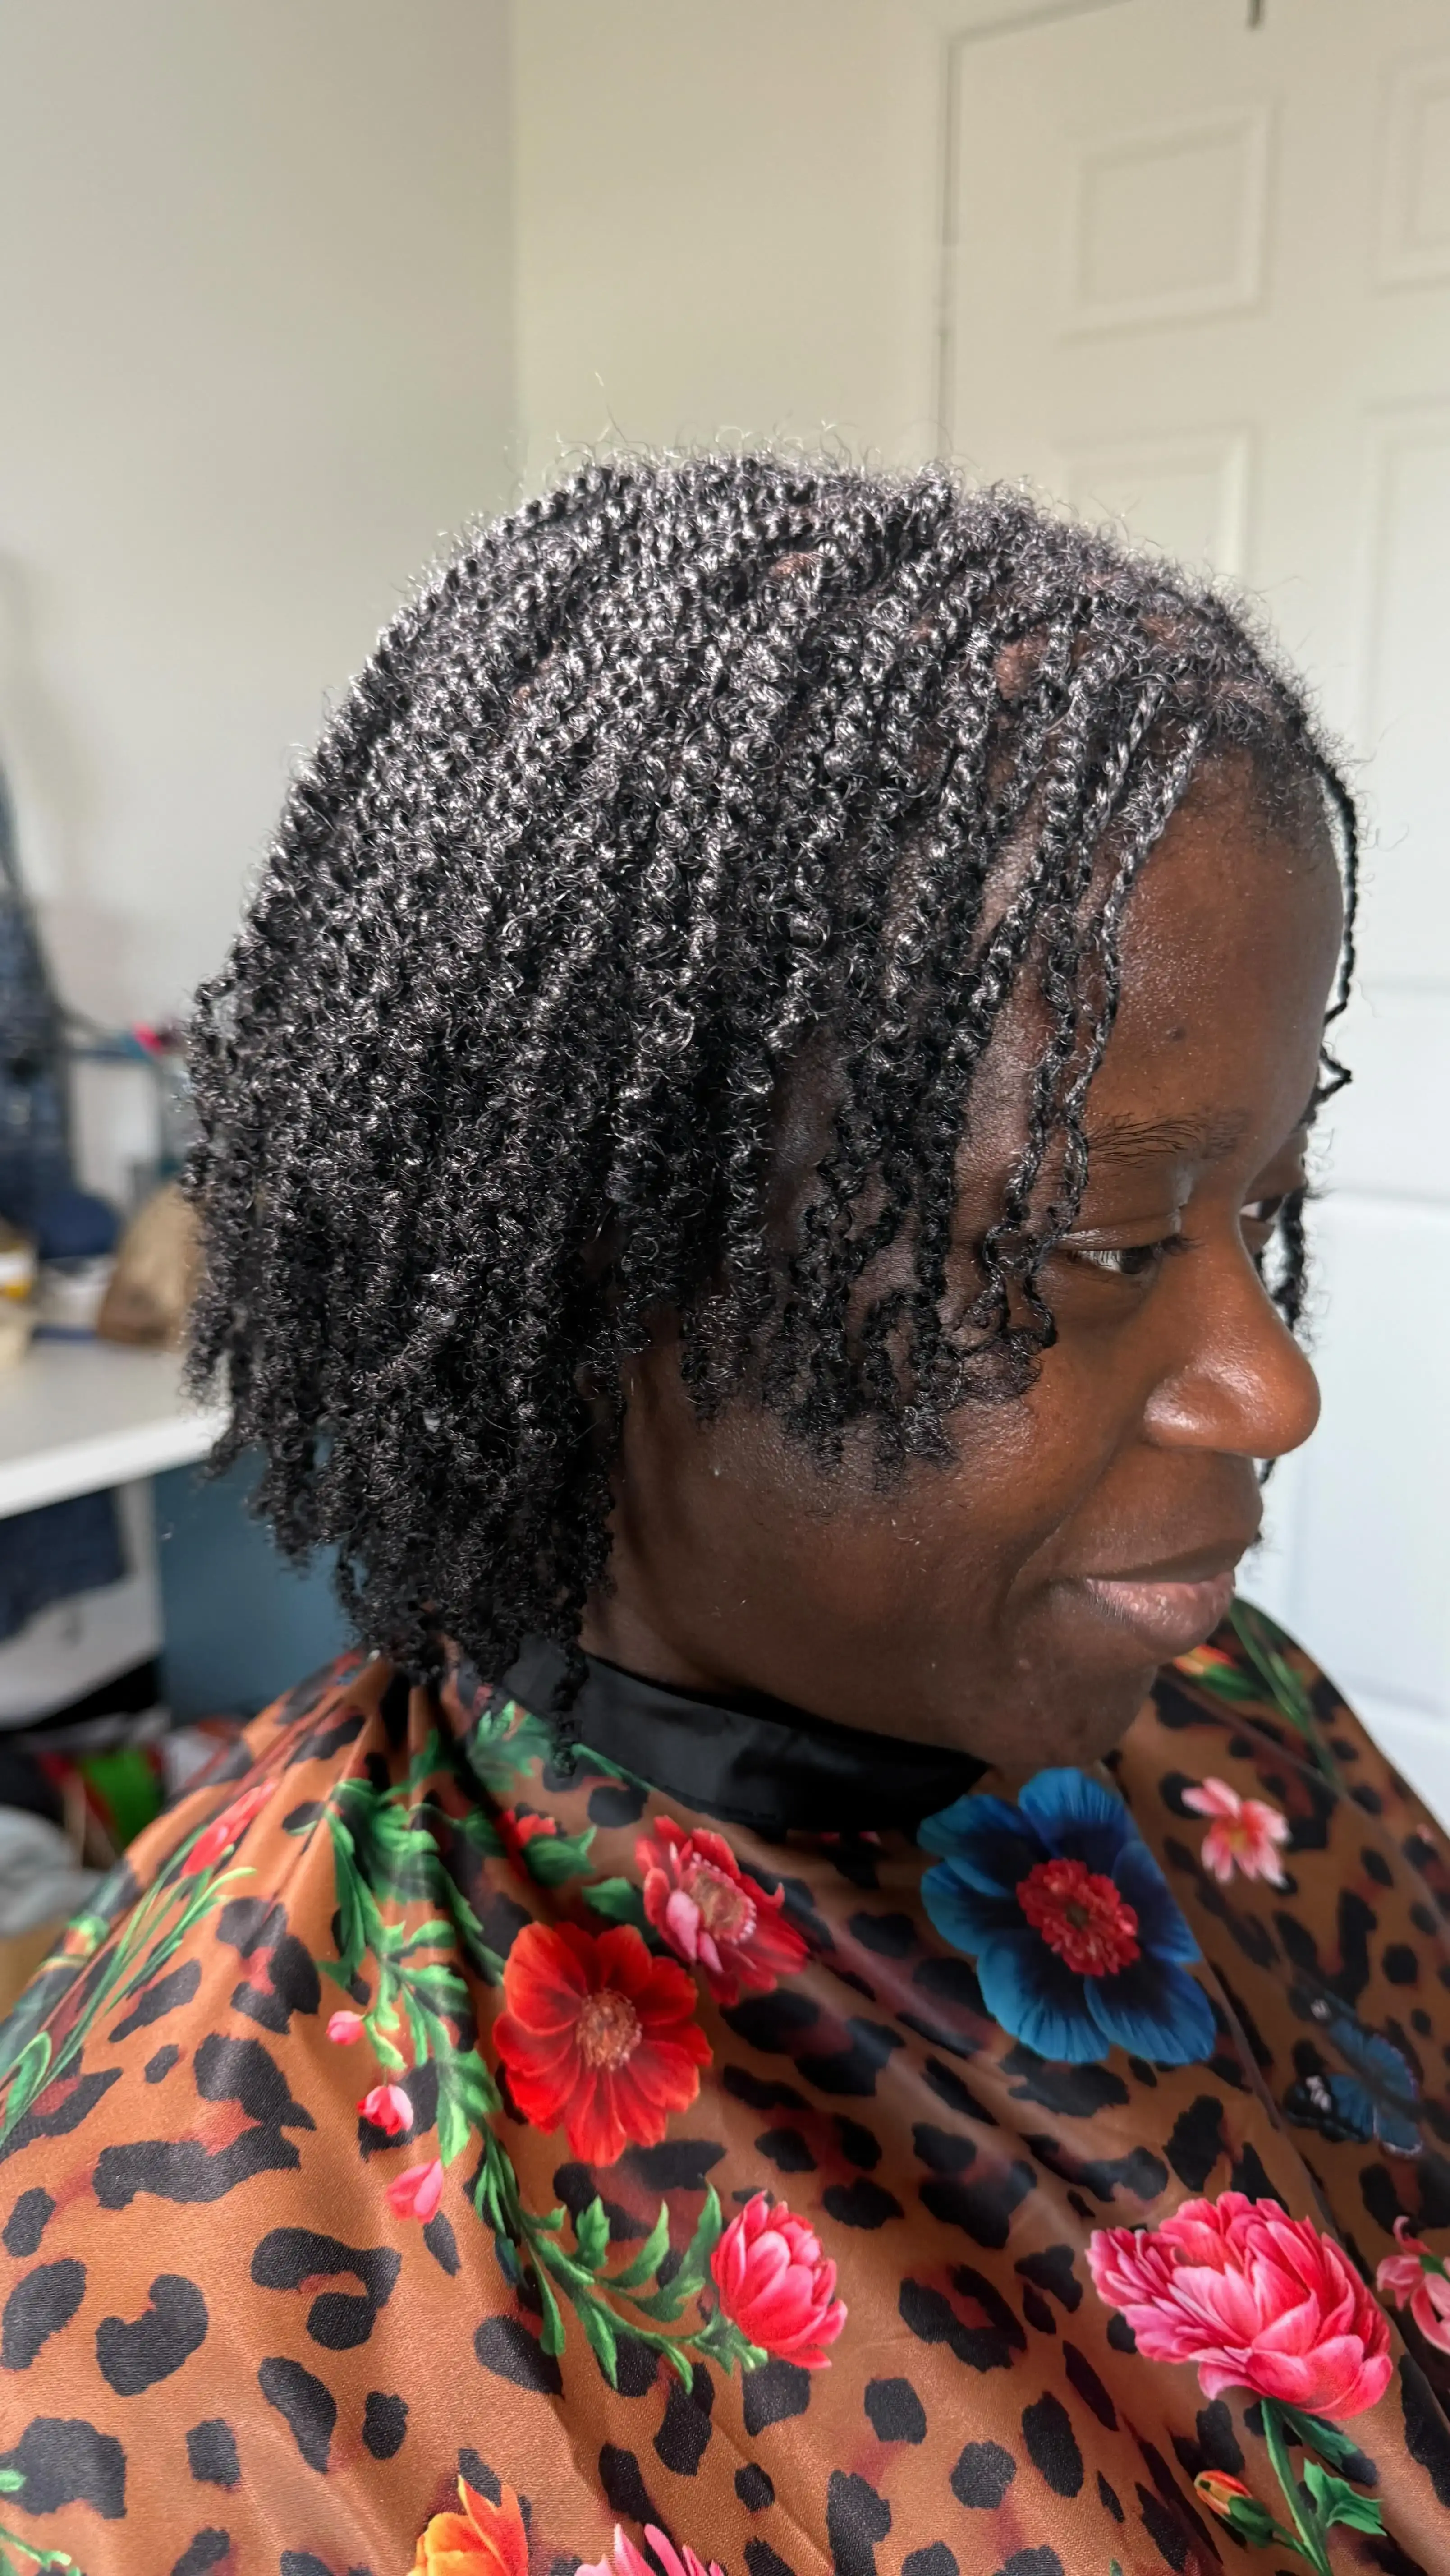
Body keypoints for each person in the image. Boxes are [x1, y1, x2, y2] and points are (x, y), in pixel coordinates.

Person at [2, 456, 1448, 2576]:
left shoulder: (1212, 1711)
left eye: (1269, 1212)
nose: (1276, 1387)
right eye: (1114, 1234)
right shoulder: (195, 2317)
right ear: (606, 1268)